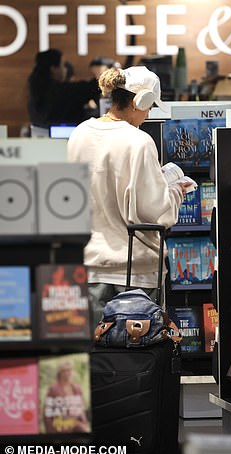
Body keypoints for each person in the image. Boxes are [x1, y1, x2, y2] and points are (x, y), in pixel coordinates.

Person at [67, 65, 191, 331]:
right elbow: (156, 213)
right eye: (150, 107)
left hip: (88, 266)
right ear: (140, 101)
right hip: (135, 272)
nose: (148, 114)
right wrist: (175, 191)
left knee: (97, 357)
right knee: (135, 362)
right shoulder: (139, 142)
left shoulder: (79, 134)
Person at [27, 48, 100, 128]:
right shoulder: (61, 91)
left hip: (42, 138)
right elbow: (89, 88)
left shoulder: (36, 94)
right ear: (54, 69)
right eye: (63, 65)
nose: (65, 69)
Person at [43, 360, 90, 433]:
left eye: (69, 370)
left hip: (76, 426)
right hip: (60, 427)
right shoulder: (53, 389)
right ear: (59, 373)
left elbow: (81, 409)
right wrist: (51, 432)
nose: (67, 373)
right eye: (64, 371)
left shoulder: (77, 388)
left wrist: (84, 423)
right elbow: (47, 413)